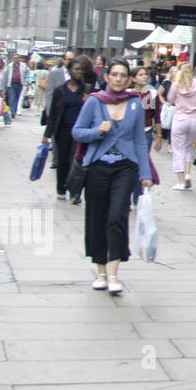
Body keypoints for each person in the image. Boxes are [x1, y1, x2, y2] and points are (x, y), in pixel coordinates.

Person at [71, 59, 153, 295]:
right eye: (114, 74)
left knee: (117, 215)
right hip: (97, 166)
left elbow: (139, 140)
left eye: (123, 75)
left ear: (129, 79)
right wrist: (98, 131)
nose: (118, 79)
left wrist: (145, 174)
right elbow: (77, 131)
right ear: (106, 77)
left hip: (125, 167)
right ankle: (100, 272)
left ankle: (114, 273)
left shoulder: (136, 104)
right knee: (97, 217)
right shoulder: (94, 102)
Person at [43, 56, 96, 203]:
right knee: (63, 161)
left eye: (81, 70)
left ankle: (75, 192)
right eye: (76, 69)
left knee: (76, 161)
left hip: (80, 131)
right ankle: (61, 188)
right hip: (63, 130)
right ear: (69, 70)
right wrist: (47, 134)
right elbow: (54, 113)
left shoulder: (86, 90)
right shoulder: (60, 90)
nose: (79, 72)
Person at [164, 60, 196, 190]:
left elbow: (170, 99)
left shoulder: (176, 85)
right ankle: (188, 174)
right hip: (194, 120)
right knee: (188, 149)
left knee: (178, 150)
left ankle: (180, 181)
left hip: (180, 119)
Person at [129, 66, 163, 199]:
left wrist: (159, 136)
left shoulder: (151, 94)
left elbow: (156, 116)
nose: (144, 77)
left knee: (142, 164)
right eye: (141, 74)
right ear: (133, 78)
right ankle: (126, 194)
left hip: (146, 133)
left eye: (146, 74)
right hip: (129, 134)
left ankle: (138, 197)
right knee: (129, 164)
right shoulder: (127, 94)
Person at [5, 53, 25, 120]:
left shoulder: (23, 66)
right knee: (12, 97)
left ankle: (15, 110)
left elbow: (27, 74)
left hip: (20, 84)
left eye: (17, 58)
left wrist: (26, 81)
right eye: (14, 58)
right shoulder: (9, 66)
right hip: (11, 84)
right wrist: (5, 85)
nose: (16, 59)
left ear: (19, 58)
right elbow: (6, 75)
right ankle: (13, 112)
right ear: (13, 58)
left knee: (17, 98)